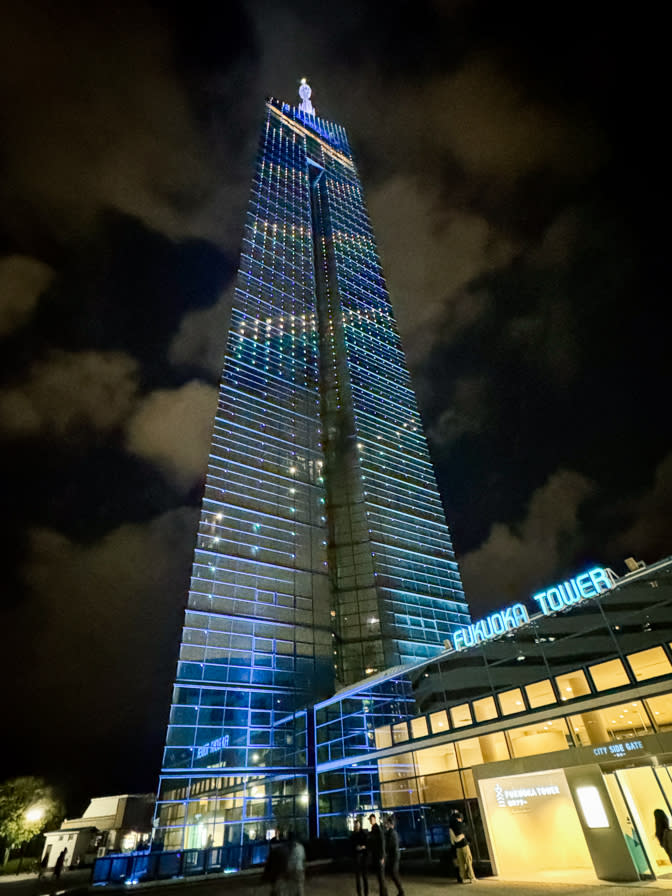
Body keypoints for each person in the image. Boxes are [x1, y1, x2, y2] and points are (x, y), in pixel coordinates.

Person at [449, 810, 475, 884]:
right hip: (464, 844)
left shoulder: (451, 826)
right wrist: (465, 838)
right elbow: (464, 834)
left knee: (461, 863)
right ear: (459, 817)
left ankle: (463, 878)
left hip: (457, 846)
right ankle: (472, 877)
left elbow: (452, 839)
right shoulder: (460, 824)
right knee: (468, 860)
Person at [383, 815, 404, 896]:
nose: (385, 824)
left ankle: (401, 891)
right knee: (394, 873)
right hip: (394, 855)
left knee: (394, 873)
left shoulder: (391, 833)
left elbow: (389, 845)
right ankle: (400, 891)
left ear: (390, 824)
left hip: (394, 856)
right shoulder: (392, 832)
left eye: (387, 823)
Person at [368, 814, 387, 896]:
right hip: (377, 856)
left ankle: (384, 894)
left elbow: (382, 842)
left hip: (379, 856)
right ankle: (383, 894)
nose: (371, 821)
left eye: (372, 819)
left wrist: (382, 856)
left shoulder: (377, 829)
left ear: (375, 819)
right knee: (380, 877)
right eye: (370, 819)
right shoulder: (374, 829)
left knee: (381, 877)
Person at [350, 817, 369, 896]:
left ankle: (366, 893)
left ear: (359, 825)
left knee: (364, 877)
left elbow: (367, 844)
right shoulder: (352, 835)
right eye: (355, 825)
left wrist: (362, 847)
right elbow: (350, 846)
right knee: (358, 878)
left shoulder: (363, 834)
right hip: (356, 858)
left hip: (363, 857)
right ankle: (359, 894)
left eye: (358, 825)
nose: (357, 827)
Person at [285, 832, 305, 896]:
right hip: (299, 868)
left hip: (292, 869)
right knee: (299, 886)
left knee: (292, 887)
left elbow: (288, 860)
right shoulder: (301, 847)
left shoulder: (289, 847)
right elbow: (303, 859)